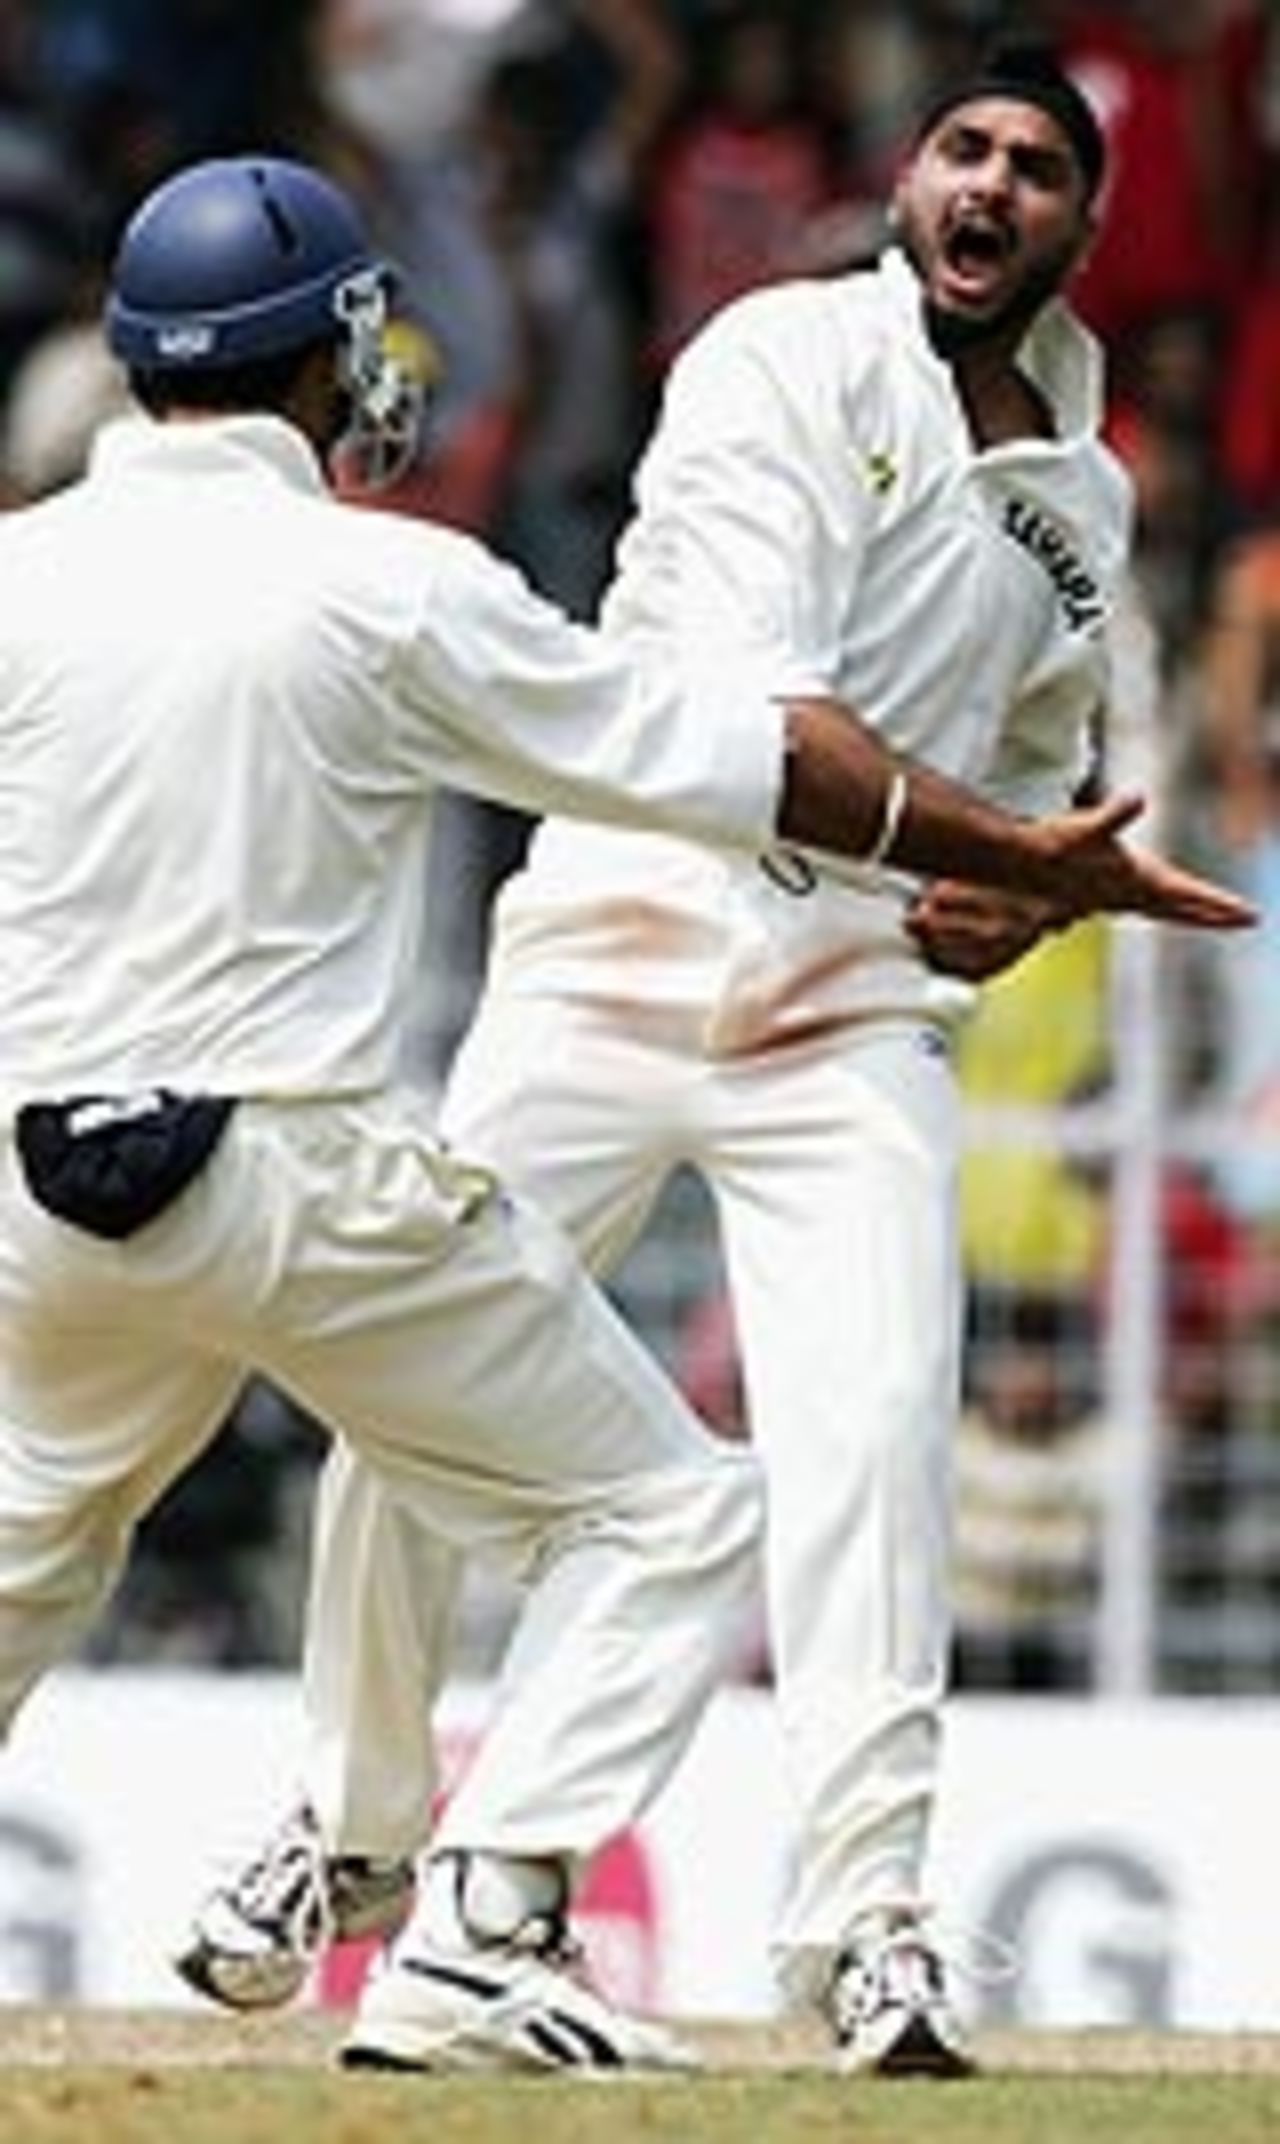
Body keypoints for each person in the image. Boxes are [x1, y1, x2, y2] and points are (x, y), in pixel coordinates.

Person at [137, 75, 1249, 2076]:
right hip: (619, 938)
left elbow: (1025, 796)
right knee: (411, 1398)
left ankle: (864, 1926)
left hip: (846, 1010)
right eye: (963, 151)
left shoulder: (1084, 496)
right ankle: (355, 1827)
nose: (989, 189)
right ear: (907, 176)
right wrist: (1017, 860)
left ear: (1088, 223)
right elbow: (778, 725)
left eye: (1038, 170)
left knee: (877, 1435)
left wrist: (1024, 899)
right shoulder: (779, 354)